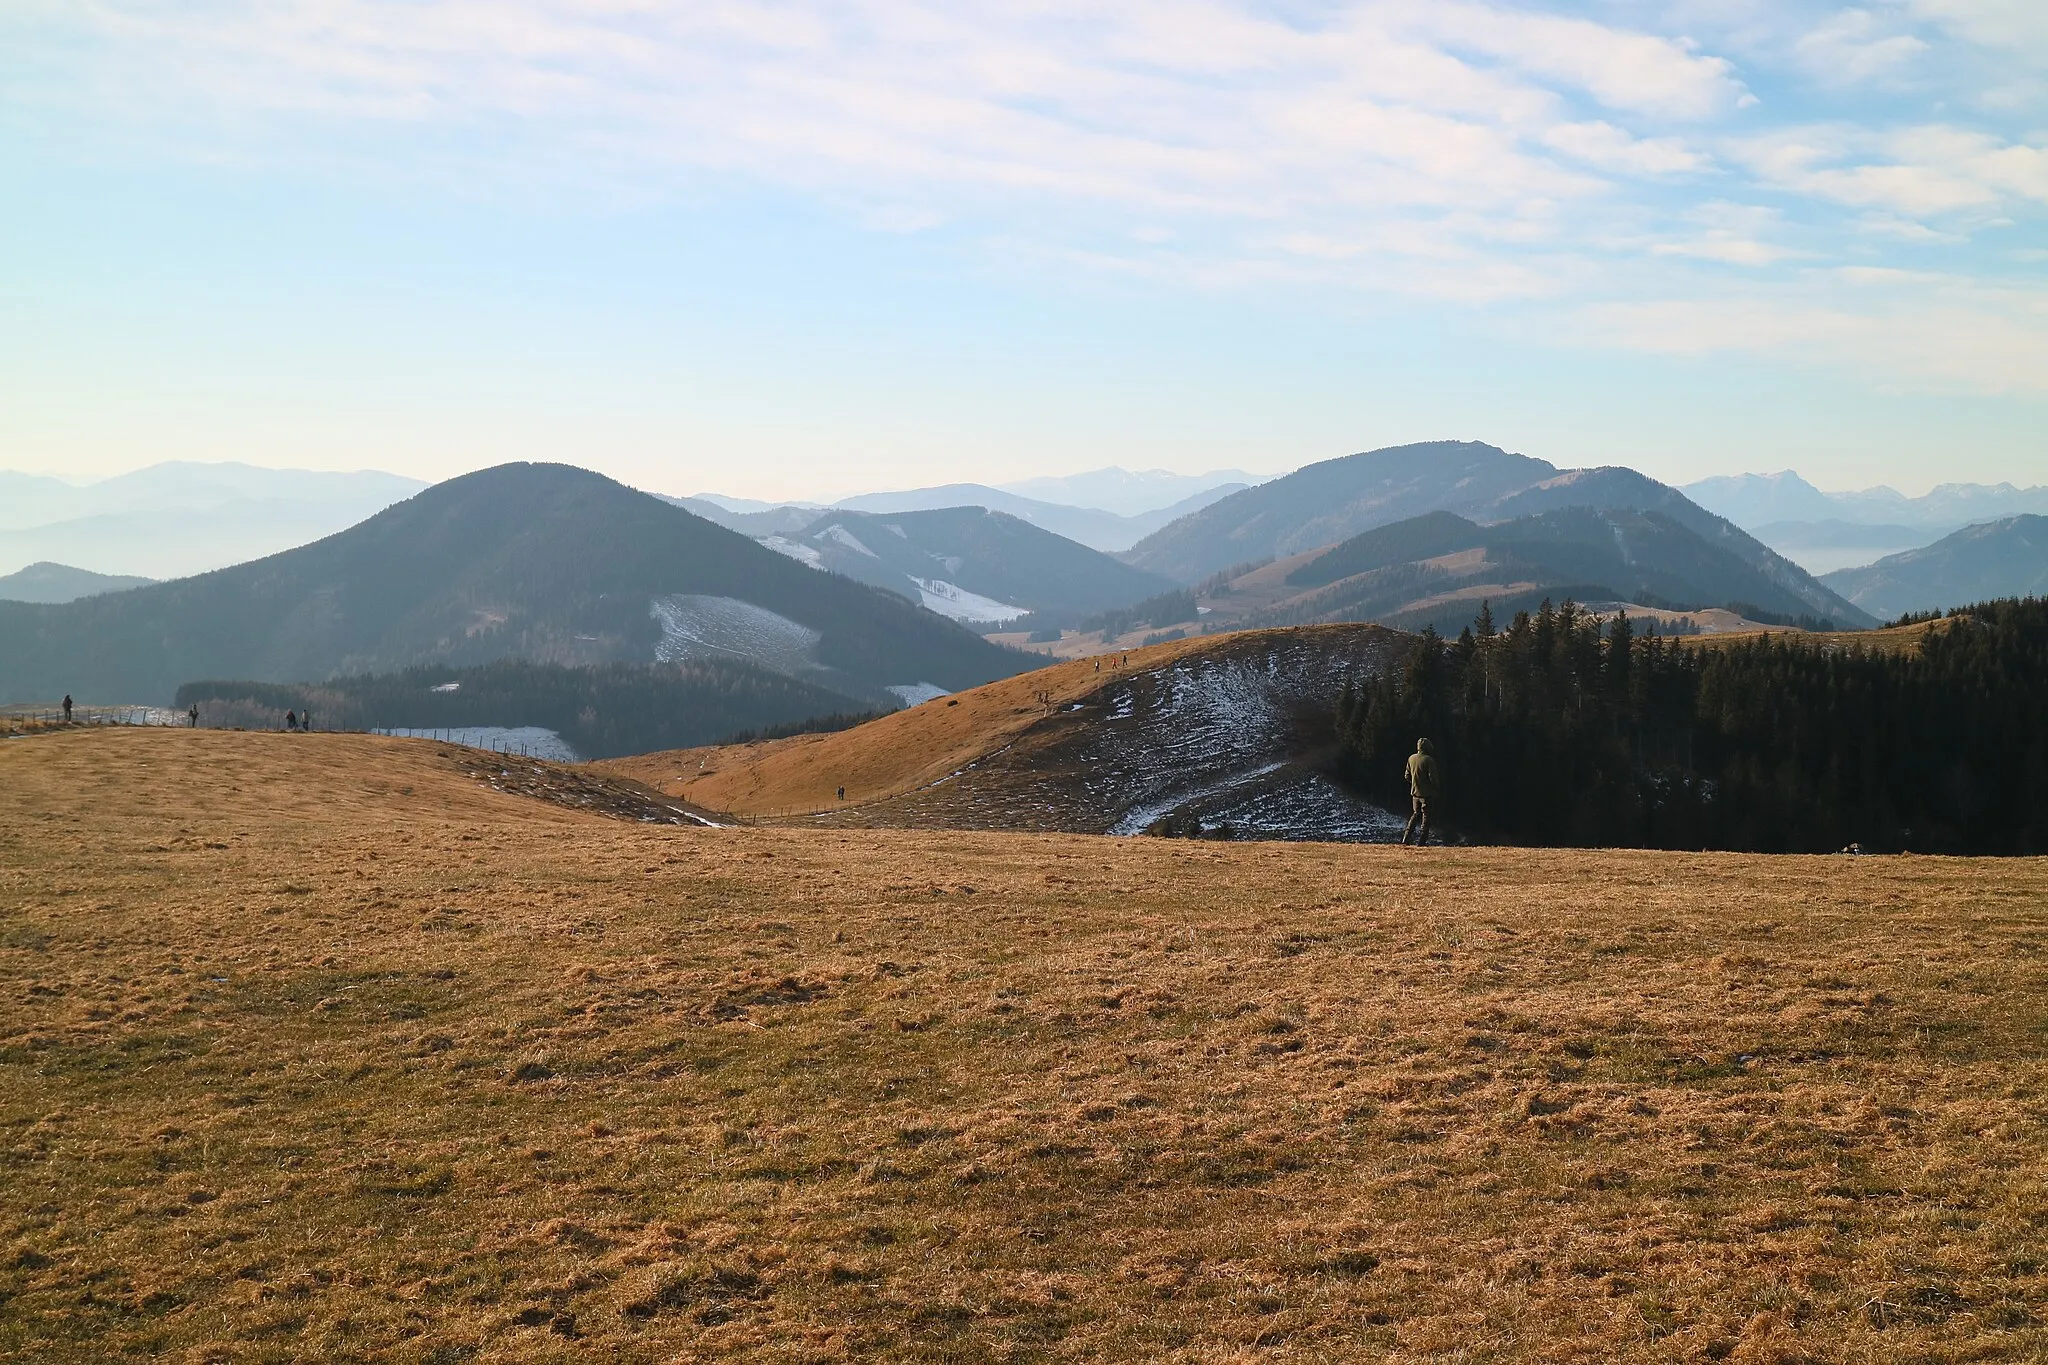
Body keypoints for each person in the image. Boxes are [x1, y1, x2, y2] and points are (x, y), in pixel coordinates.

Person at [1402, 737, 1440, 846]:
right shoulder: (1429, 760)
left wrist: (1415, 784)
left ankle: (1406, 838)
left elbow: (1407, 776)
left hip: (1415, 793)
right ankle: (1421, 842)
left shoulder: (1411, 758)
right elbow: (1433, 779)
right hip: (1427, 794)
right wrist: (1435, 787)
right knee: (1426, 818)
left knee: (1415, 814)